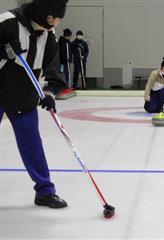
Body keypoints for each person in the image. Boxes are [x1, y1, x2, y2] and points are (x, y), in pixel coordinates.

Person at [0, 0, 68, 208]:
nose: (57, 22)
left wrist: (49, 92)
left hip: (23, 96)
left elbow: (52, 70)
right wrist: (4, 53)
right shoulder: (7, 23)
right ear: (46, 15)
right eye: (55, 18)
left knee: (32, 144)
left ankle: (45, 191)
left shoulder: (49, 34)